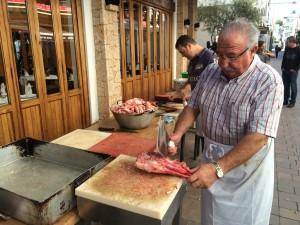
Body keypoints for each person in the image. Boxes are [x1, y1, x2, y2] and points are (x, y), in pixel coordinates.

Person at [168, 18, 283, 225]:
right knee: (211, 219)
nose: (223, 63)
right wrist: (177, 134)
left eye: (231, 56)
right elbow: (193, 106)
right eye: (219, 54)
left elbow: (258, 138)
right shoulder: (211, 71)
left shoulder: (269, 81)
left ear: (253, 50)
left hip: (246, 172)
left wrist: (217, 169)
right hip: (212, 160)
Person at [168, 35, 214, 152]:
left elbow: (212, 84)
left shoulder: (208, 56)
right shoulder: (192, 62)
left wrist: (193, 93)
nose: (183, 55)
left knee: (207, 139)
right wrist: (180, 92)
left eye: (183, 52)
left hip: (208, 107)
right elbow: (190, 81)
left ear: (189, 46)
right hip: (196, 105)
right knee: (201, 134)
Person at [281, 36, 300, 108]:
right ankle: (285, 100)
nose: (287, 43)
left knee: (293, 86)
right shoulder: (287, 48)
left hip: (293, 72)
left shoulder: (298, 49)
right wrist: (282, 67)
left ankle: (292, 101)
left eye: (288, 42)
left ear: (292, 42)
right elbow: (284, 58)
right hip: (285, 70)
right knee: (285, 86)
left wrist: (295, 69)